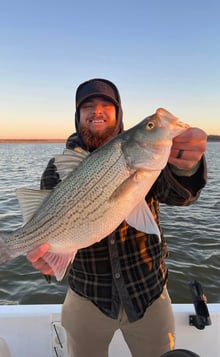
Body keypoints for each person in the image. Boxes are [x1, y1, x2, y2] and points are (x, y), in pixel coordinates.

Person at [27, 79, 207, 357]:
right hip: (87, 297)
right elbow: (48, 226)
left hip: (149, 294)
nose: (96, 111)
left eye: (106, 105)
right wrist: (46, 265)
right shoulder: (57, 167)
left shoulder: (145, 156)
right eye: (87, 106)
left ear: (118, 113)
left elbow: (180, 195)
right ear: (78, 116)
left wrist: (187, 168)